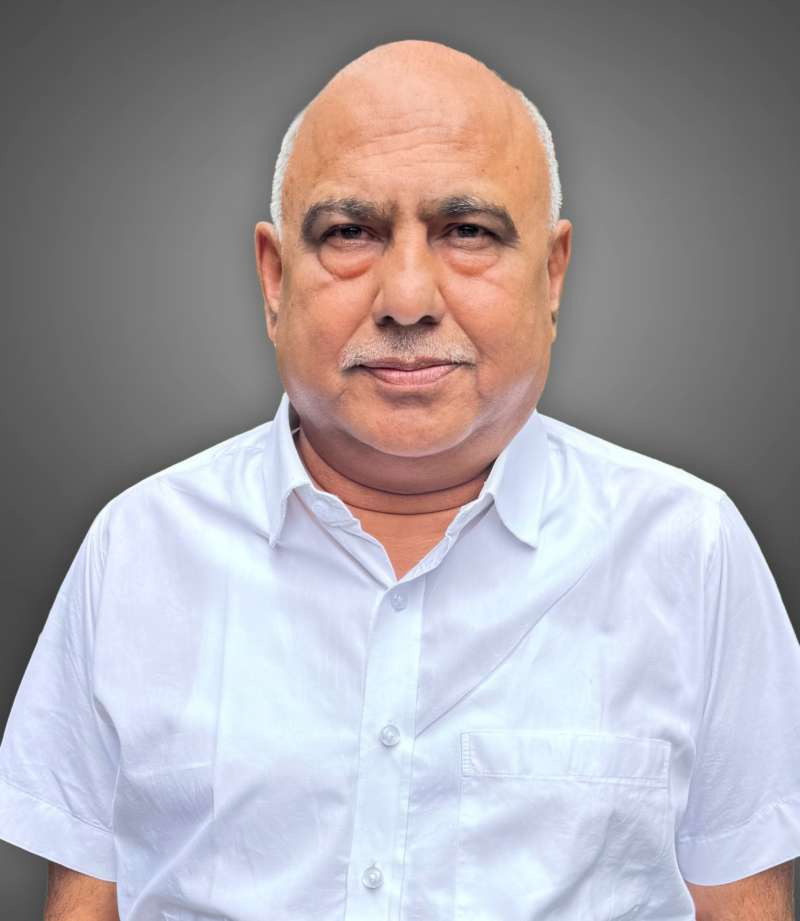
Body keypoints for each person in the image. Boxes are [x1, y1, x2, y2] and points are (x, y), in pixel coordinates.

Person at [1, 38, 798, 921]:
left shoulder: (689, 548)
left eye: (468, 232)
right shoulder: (138, 549)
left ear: (552, 272)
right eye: (350, 233)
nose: (408, 298)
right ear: (274, 277)